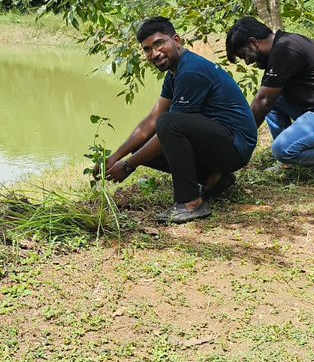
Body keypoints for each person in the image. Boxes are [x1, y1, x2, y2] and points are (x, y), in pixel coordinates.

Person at [102, 18, 257, 224]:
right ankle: (216, 177)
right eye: (147, 49)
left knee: (169, 124)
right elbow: (151, 119)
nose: (154, 53)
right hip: (221, 143)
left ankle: (191, 202)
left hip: (236, 145)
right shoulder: (174, 73)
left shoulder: (192, 70)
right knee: (144, 145)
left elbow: (168, 125)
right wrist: (116, 157)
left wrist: (129, 166)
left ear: (176, 40)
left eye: (159, 44)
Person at [225, 17, 314, 184]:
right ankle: (287, 163)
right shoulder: (283, 45)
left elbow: (263, 101)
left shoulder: (286, 49)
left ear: (253, 42)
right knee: (274, 100)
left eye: (244, 55)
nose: (248, 62)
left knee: (282, 149)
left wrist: (240, 139)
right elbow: (266, 99)